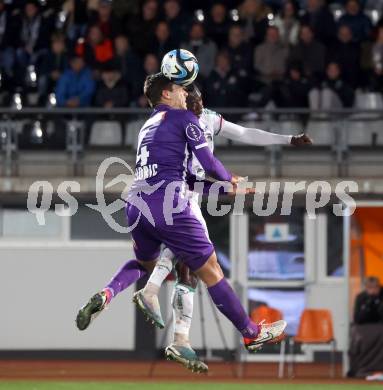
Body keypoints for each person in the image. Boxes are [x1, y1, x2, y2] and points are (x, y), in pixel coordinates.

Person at [76, 80, 311, 372]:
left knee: (149, 263)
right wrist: (229, 180)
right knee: (209, 270)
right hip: (175, 203)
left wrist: (227, 189)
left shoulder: (149, 125)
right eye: (182, 91)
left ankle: (111, 294)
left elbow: (195, 173)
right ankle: (250, 333)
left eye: (190, 92)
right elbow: (210, 166)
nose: (187, 95)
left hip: (136, 201)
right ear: (167, 93)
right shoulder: (184, 117)